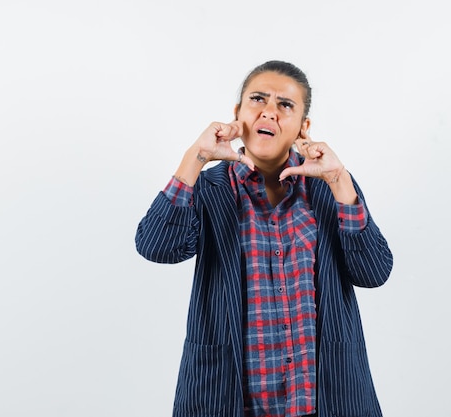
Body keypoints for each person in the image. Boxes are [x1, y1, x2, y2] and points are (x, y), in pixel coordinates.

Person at [135, 60, 393, 417]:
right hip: (225, 399)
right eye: (258, 99)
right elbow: (155, 246)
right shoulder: (208, 189)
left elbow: (374, 272)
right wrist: (195, 157)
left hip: (330, 399)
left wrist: (340, 180)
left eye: (285, 105)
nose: (269, 112)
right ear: (237, 115)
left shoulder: (329, 189)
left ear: (304, 127)